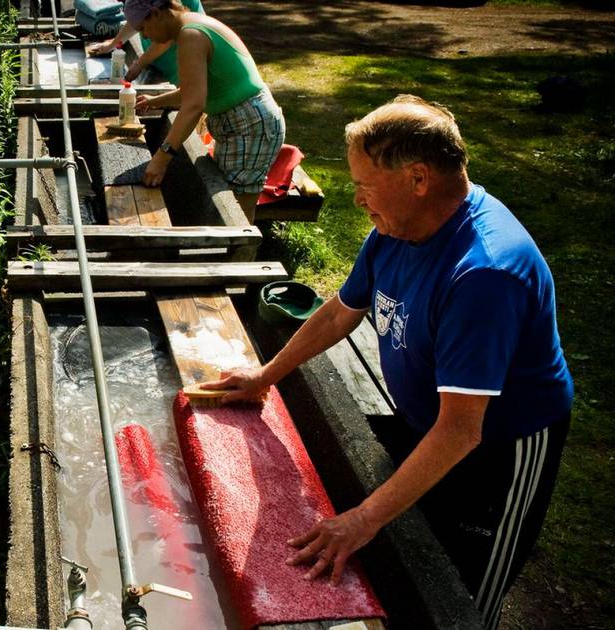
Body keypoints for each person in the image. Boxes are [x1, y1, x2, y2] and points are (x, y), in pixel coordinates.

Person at [206, 95, 572, 628]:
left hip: (500, 446)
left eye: (364, 185)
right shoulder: (395, 230)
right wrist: (266, 376)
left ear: (418, 178)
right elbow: (339, 315)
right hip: (434, 418)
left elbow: (461, 432)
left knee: (462, 598)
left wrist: (360, 520)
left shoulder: (485, 275)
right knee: (420, 532)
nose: (357, 199)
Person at [123, 0, 284, 223]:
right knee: (227, 200)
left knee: (235, 209)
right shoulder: (193, 26)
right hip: (242, 122)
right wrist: (157, 100)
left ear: (156, 13)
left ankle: (240, 255)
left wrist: (161, 157)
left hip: (250, 125)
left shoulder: (191, 36)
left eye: (143, 28)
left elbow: (194, 105)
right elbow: (196, 89)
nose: (146, 36)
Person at [86, 0, 206, 85]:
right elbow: (139, 16)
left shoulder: (177, 25)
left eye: (143, 29)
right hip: (157, 61)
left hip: (178, 66)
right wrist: (114, 44)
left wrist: (139, 64)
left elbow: (167, 35)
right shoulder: (148, 16)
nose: (143, 36)